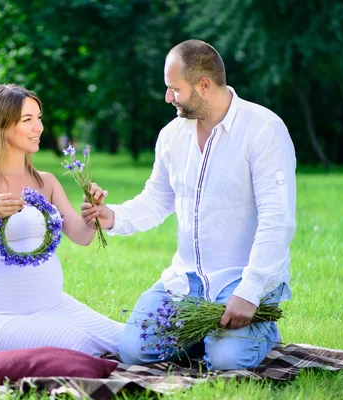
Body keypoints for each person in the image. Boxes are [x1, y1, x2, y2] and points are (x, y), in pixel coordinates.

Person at [81, 40, 296, 370]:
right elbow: (156, 200)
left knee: (226, 361)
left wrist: (250, 291)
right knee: (133, 351)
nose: (167, 97)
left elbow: (277, 219)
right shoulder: (171, 136)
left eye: (173, 89)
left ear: (204, 85)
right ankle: (205, 334)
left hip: (240, 282)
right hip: (185, 283)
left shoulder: (264, 130)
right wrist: (112, 216)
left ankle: (259, 330)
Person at [0, 84, 123, 356]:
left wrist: (92, 212)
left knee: (128, 339)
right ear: (1, 124)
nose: (39, 127)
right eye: (28, 120)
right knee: (76, 343)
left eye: (40, 118)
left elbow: (81, 236)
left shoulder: (46, 181)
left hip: (50, 306)